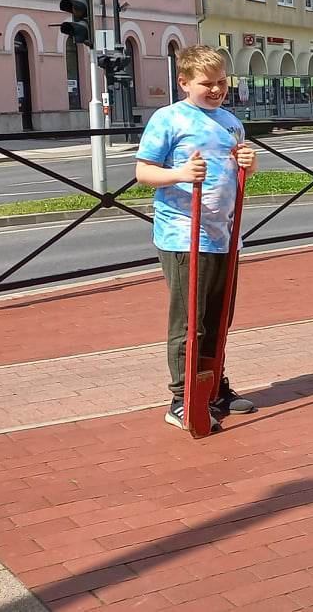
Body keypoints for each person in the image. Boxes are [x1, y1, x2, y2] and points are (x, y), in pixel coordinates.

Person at [135, 46, 258, 431]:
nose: (217, 89)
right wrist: (180, 174)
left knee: (219, 317)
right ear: (184, 82)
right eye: (207, 83)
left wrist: (249, 166)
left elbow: (234, 173)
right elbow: (144, 172)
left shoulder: (231, 123)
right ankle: (183, 396)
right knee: (191, 320)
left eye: (222, 82)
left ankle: (213, 386)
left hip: (225, 235)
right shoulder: (169, 118)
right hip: (184, 235)